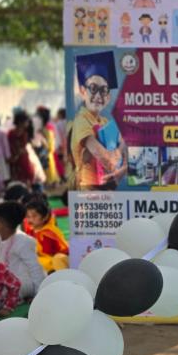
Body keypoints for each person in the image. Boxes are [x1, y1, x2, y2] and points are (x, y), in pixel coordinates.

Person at [68, 52, 127, 190]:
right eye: (93, 89)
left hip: (107, 189)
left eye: (103, 90)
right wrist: (118, 154)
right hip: (89, 191)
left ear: (108, 97)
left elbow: (124, 145)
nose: (98, 96)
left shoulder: (105, 122)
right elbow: (109, 161)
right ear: (83, 91)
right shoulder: (81, 121)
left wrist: (122, 167)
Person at [0, 200, 44, 303]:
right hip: (6, 281)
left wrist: (39, 295)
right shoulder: (0, 237)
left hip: (22, 283)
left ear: (0, 223)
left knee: (0, 292)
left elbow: (35, 268)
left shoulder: (23, 241)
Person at [23, 194, 70, 273]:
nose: (30, 219)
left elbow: (63, 252)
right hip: (43, 260)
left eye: (34, 216)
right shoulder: (31, 230)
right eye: (28, 216)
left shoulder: (50, 233)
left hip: (56, 262)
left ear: (45, 217)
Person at [0, 116, 9, 197]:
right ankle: (0, 192)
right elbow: (5, 146)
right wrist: (7, 156)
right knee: (1, 175)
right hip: (0, 156)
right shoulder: (1, 133)